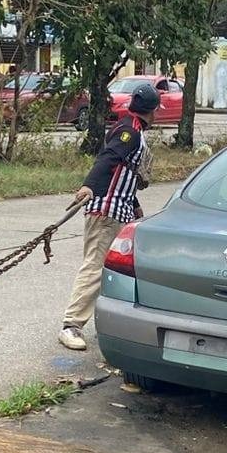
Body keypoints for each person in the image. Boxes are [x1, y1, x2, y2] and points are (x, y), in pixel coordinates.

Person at [59, 84, 159, 351]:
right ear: (153, 111)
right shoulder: (130, 132)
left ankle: (116, 322)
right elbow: (108, 159)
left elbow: (123, 174)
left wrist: (135, 205)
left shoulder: (131, 128)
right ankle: (71, 325)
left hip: (119, 211)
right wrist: (88, 186)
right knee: (95, 267)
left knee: (117, 269)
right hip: (106, 212)